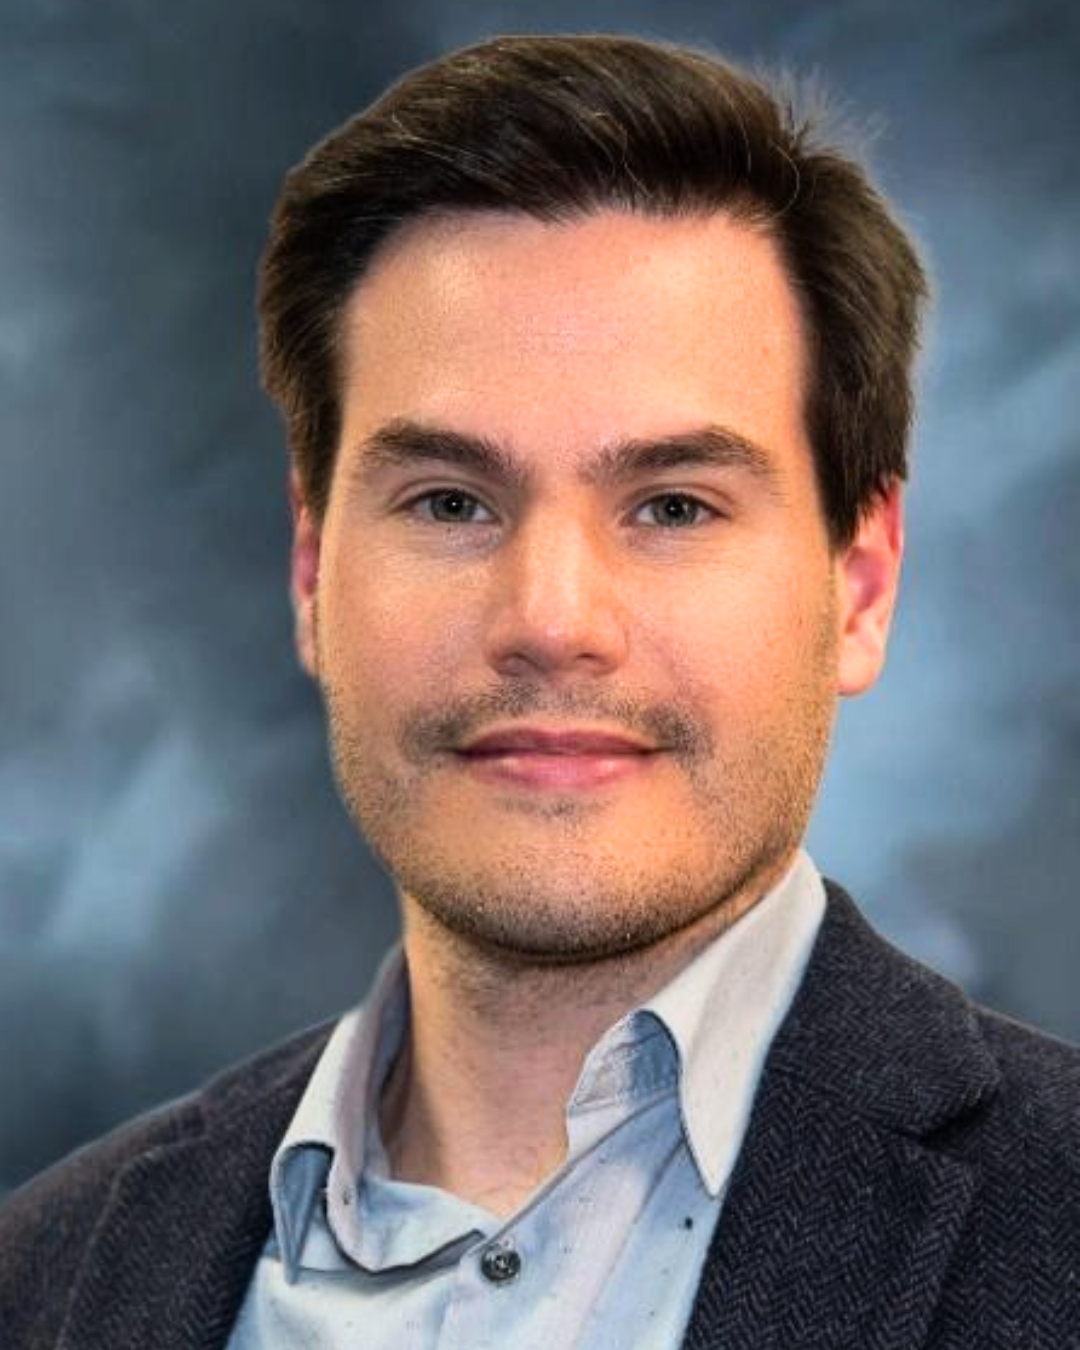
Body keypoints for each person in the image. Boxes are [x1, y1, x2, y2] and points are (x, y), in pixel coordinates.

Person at [2, 32, 1077, 1349]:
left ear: (859, 583)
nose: (551, 621)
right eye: (450, 501)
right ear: (308, 569)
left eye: (673, 505)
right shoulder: (46, 1280)